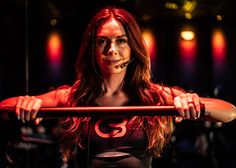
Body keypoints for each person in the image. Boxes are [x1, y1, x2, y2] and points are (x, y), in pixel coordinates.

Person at [0, 6, 236, 168]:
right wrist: (26, 102)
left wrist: (193, 100)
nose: (111, 50)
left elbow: (229, 112)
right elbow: (4, 107)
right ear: (92, 48)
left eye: (121, 41)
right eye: (102, 41)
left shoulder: (152, 94)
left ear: (132, 47)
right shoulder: (74, 96)